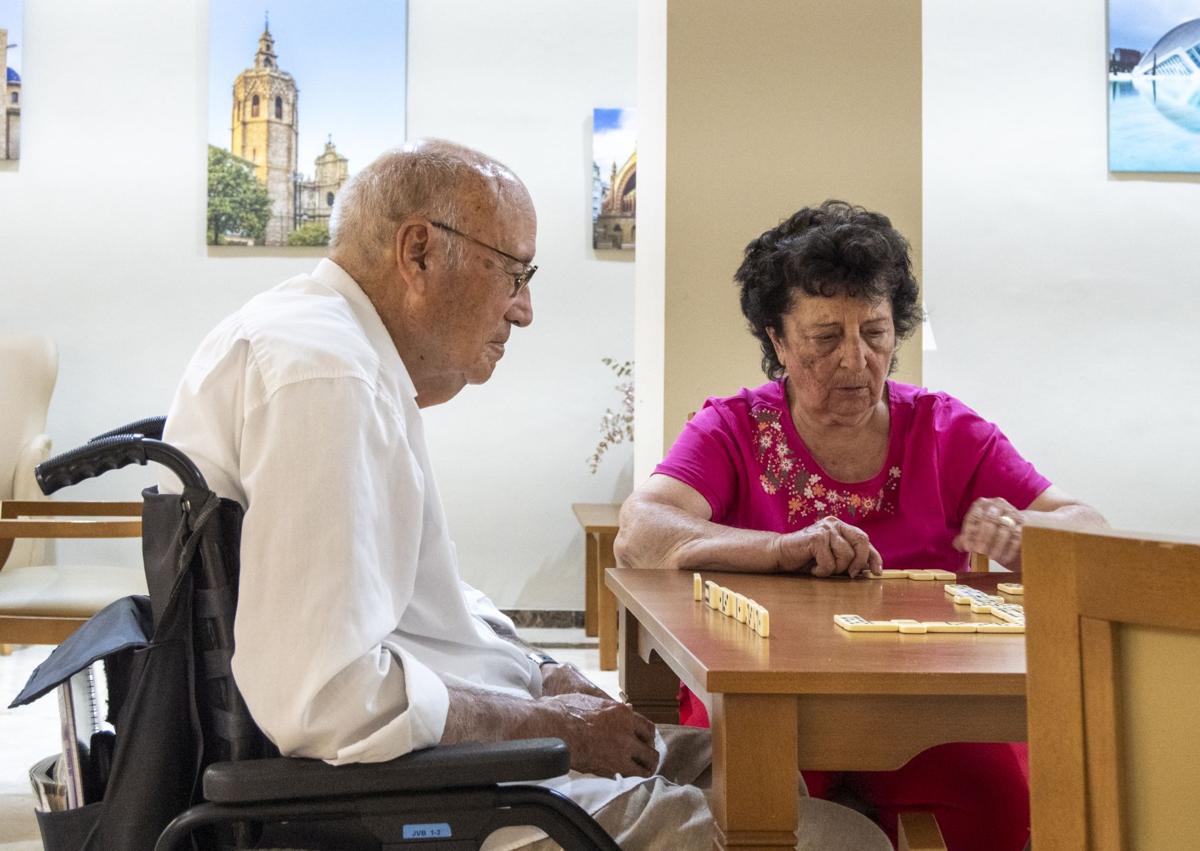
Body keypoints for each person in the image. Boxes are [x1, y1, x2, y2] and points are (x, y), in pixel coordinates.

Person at [161, 143, 890, 850]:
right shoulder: (327, 378)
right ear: (418, 253)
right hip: (454, 797)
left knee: (768, 774)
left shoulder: (335, 351)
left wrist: (542, 671)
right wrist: (549, 724)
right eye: (514, 272)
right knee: (841, 836)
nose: (524, 309)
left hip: (471, 758)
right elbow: (326, 697)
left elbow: (423, 599)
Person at [615, 200, 1107, 851]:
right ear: (777, 339)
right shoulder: (737, 427)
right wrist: (782, 548)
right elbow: (640, 528)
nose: (856, 360)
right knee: (760, 810)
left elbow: (1090, 527)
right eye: (825, 338)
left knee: (1000, 804)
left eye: (875, 333)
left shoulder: (943, 429)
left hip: (928, 700)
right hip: (767, 695)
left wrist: (1026, 531)